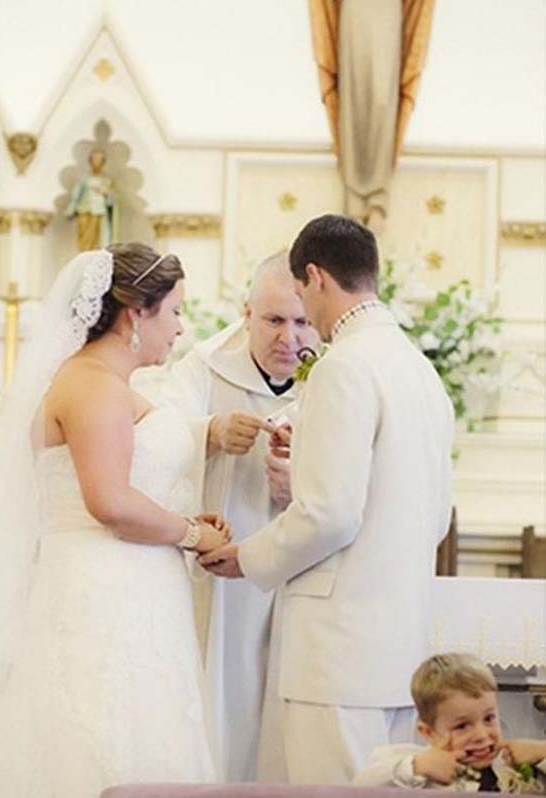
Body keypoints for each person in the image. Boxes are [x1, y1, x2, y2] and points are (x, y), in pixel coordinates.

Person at [0, 243, 229, 798]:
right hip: (107, 592)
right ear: (135, 313)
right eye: (173, 311)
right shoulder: (94, 385)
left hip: (123, 585)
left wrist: (177, 518)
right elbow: (110, 501)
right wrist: (194, 535)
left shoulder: (98, 380)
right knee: (99, 733)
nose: (179, 327)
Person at [201, 214, 455, 783]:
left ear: (314, 277)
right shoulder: (418, 369)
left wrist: (246, 558)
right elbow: (436, 515)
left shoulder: (344, 364)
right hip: (396, 646)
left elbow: (330, 514)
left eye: (299, 293)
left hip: (337, 651)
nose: (303, 315)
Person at [158, 251, 319, 780]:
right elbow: (148, 447)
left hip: (300, 578)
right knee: (223, 700)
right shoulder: (201, 368)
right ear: (247, 312)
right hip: (220, 581)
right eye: (273, 320)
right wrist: (209, 432)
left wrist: (301, 483)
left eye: (301, 322)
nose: (289, 338)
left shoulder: (335, 375)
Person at [353, 652, 546, 793]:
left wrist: (541, 752)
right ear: (428, 732)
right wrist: (417, 766)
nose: (481, 735)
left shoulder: (511, 765)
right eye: (462, 726)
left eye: (489, 718)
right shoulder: (418, 765)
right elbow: (359, 786)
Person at [66, 148, 116, 251]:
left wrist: (106, 193)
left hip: (100, 213)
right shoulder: (84, 180)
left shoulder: (107, 180)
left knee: (100, 239)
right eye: (94, 160)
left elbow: (112, 202)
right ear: (90, 162)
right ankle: (85, 253)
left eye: (99, 160)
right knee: (86, 239)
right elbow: (76, 195)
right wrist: (71, 209)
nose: (97, 163)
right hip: (85, 211)